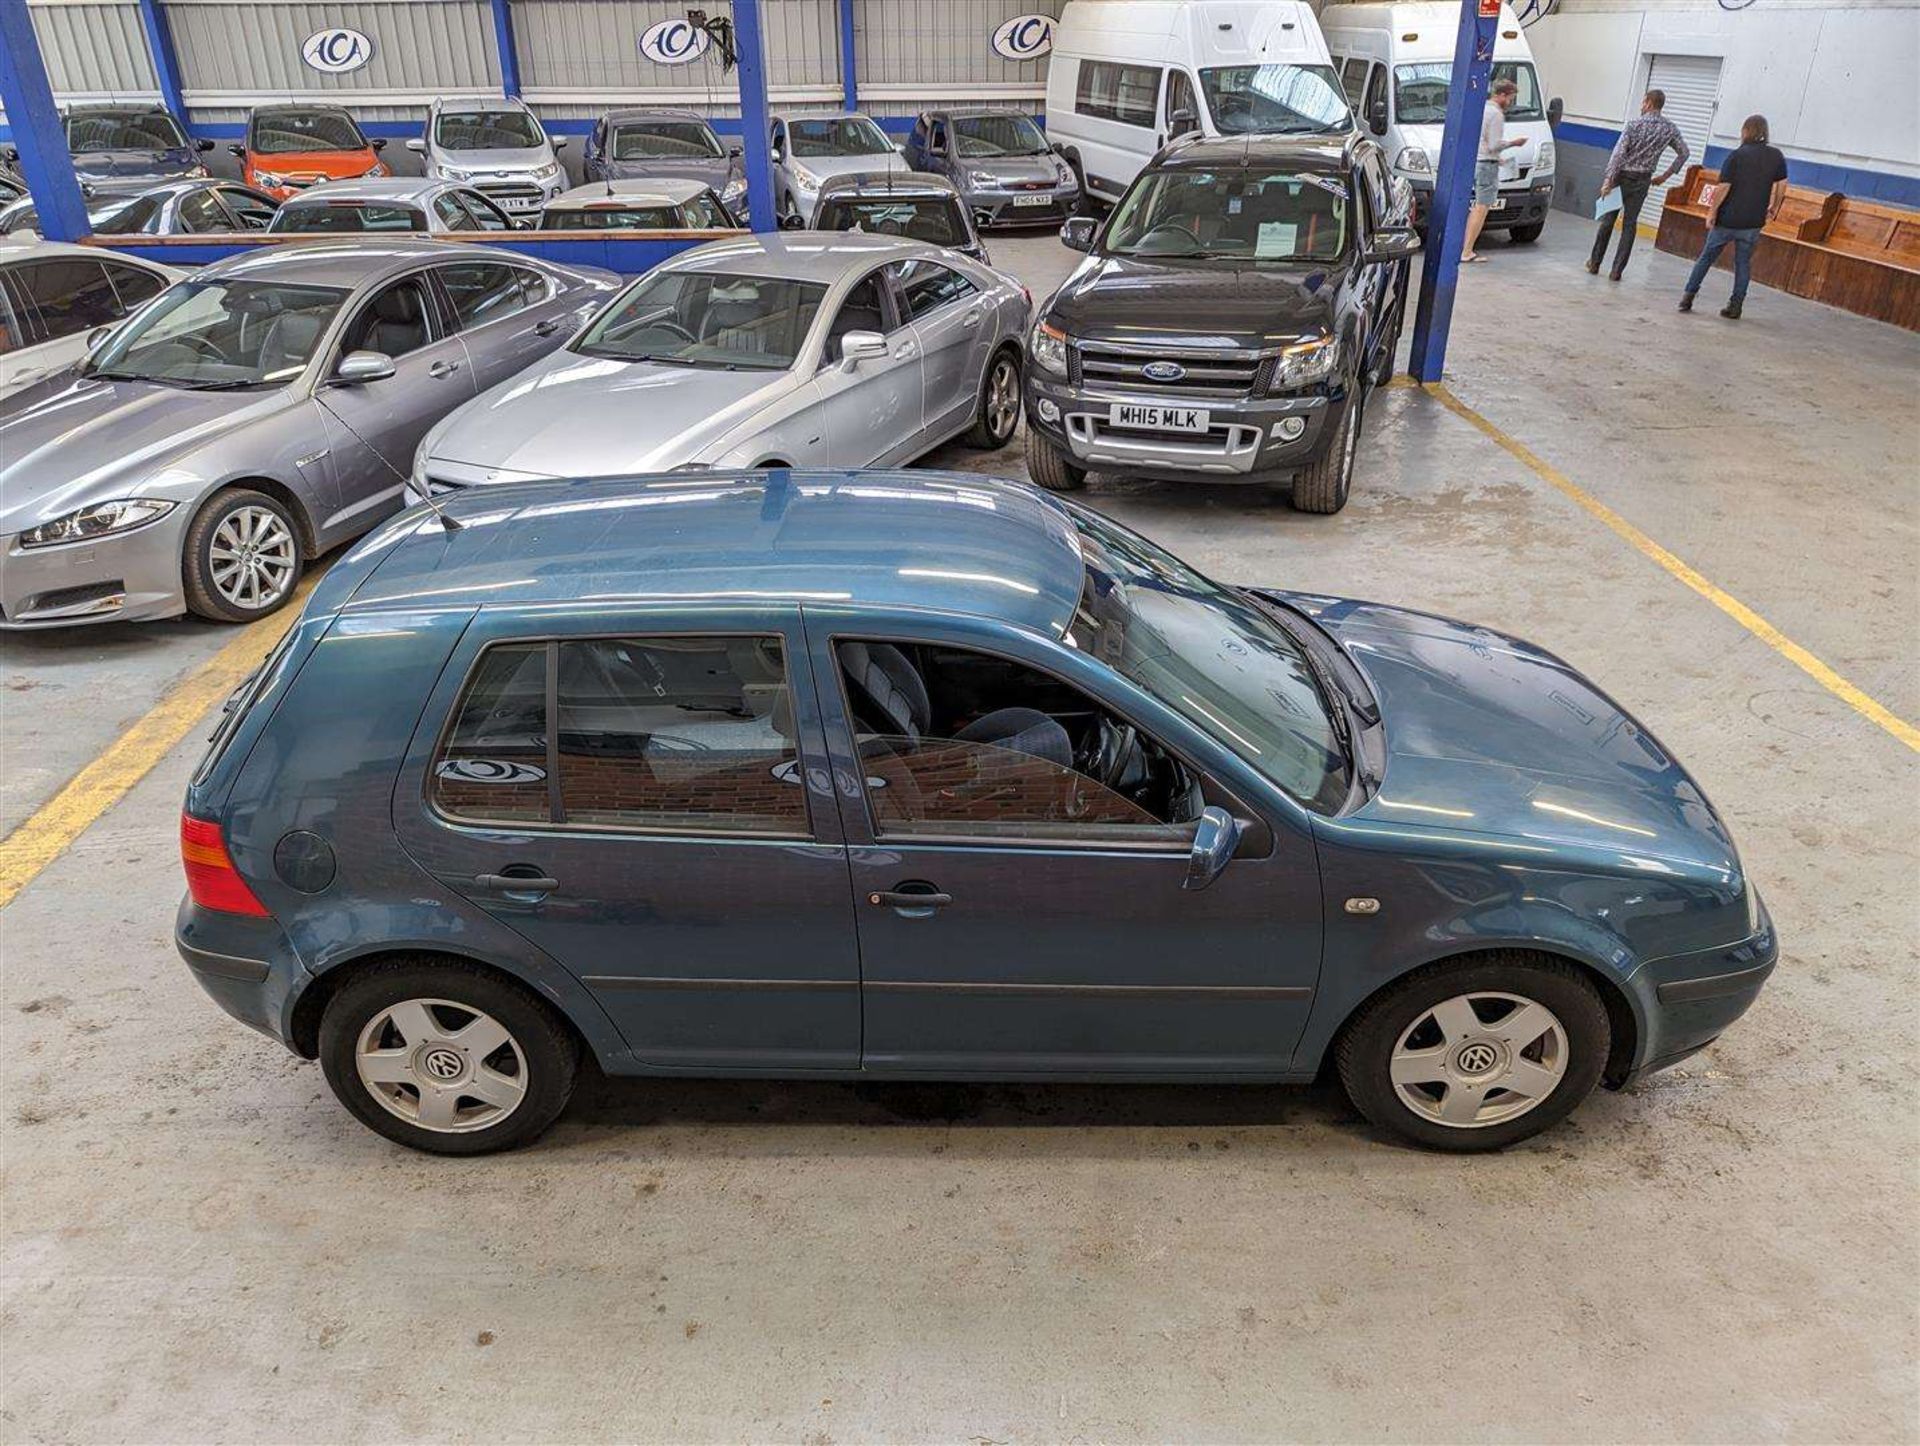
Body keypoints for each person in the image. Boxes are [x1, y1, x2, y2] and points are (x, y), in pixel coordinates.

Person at [1679, 114, 1789, 319]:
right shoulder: (1776, 156)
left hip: (1727, 219)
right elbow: (1782, 185)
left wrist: (1712, 212)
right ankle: (1735, 305)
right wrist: (1775, 207)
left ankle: (1688, 296)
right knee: (1743, 264)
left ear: (1745, 131)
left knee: (1706, 258)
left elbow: (1723, 188)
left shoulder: (1736, 156)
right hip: (1753, 222)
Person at [1587, 90, 1690, 280]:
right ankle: (1617, 271)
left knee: (1608, 221)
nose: (1641, 106)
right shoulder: (1669, 129)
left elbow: (1618, 155)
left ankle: (1595, 262)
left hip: (1621, 177)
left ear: (1649, 103)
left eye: (1643, 103)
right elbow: (1684, 152)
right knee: (1630, 224)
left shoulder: (1634, 125)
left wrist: (1608, 181)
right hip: (1643, 180)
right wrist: (1665, 176)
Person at [1462, 79, 1525, 263]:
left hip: (1479, 161)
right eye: (1511, 99)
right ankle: (1467, 250)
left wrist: (1499, 160)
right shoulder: (1496, 114)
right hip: (1486, 165)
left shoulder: (1482, 109)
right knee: (1481, 208)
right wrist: (1514, 143)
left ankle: (1466, 247)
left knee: (1477, 206)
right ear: (1502, 95)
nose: (1510, 103)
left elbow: (1482, 142)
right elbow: (1494, 144)